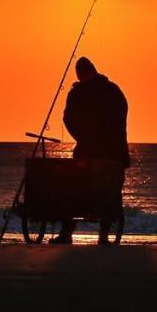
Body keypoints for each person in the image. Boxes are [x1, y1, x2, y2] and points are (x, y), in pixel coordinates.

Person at [51, 57, 129, 244]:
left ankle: (66, 232)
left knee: (73, 189)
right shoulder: (114, 90)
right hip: (114, 153)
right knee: (110, 193)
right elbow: (123, 115)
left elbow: (68, 118)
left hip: (87, 151)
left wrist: (82, 137)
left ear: (80, 74)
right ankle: (103, 235)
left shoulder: (77, 93)